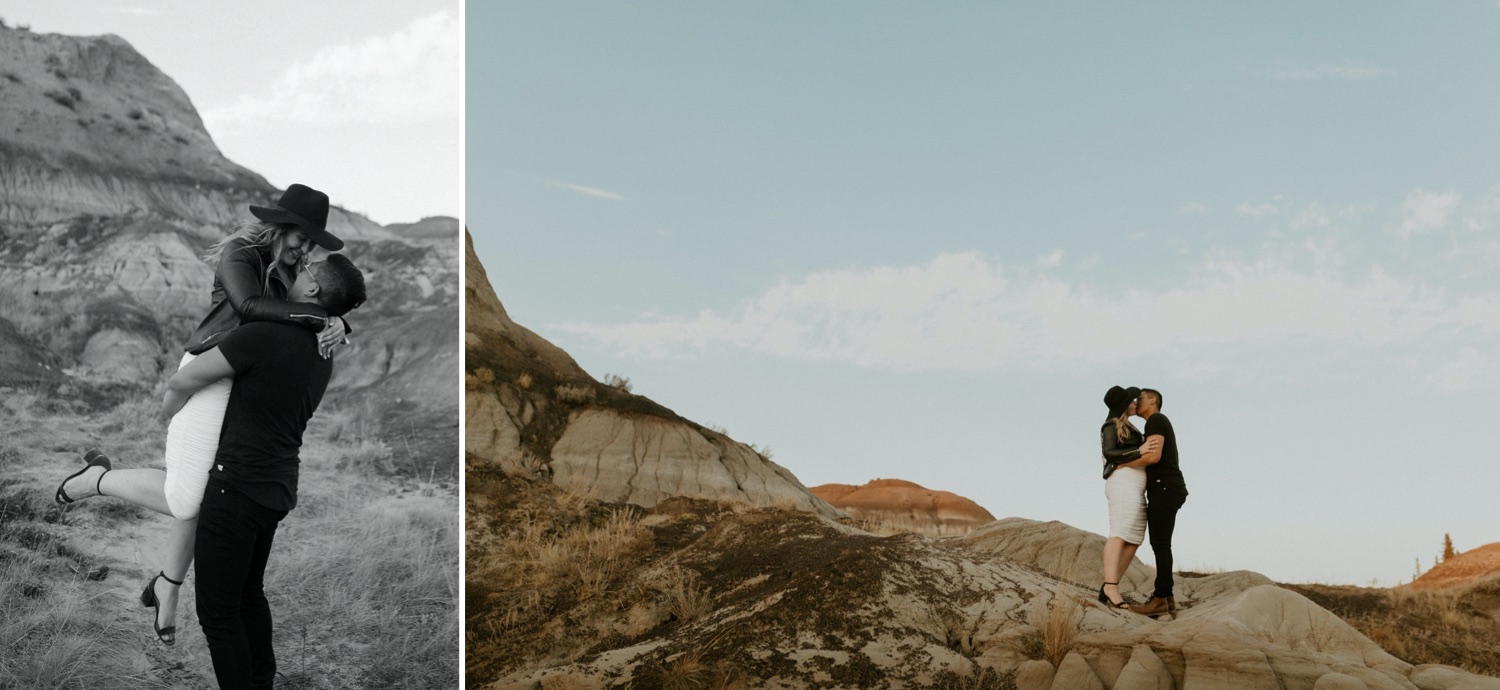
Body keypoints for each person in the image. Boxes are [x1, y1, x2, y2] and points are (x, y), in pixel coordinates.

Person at [52, 184, 349, 646]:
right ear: (280, 226)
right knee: (187, 499)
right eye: (300, 238)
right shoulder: (240, 254)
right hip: (211, 372)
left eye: (312, 244)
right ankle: (98, 480)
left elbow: (302, 307)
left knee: (213, 490)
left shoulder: (288, 275)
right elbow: (248, 308)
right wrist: (317, 318)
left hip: (243, 378)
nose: (304, 249)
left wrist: (338, 319)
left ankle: (166, 588)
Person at [1096, 385, 1159, 609]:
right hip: (1122, 483)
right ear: (1123, 405)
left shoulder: (1128, 426)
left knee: (1133, 538)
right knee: (1119, 533)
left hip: (1135, 485)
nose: (1135, 403)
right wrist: (1139, 451)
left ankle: (1108, 586)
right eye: (1132, 400)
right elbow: (1110, 453)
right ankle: (1111, 587)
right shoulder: (1110, 426)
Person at [1128, 388, 1189, 618]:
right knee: (1161, 544)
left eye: (1140, 398)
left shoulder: (1155, 420)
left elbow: (1153, 456)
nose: (1136, 402)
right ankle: (1168, 598)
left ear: (1153, 400)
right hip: (1167, 487)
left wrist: (1121, 464)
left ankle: (1160, 599)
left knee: (1160, 544)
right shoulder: (1155, 422)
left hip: (1164, 486)